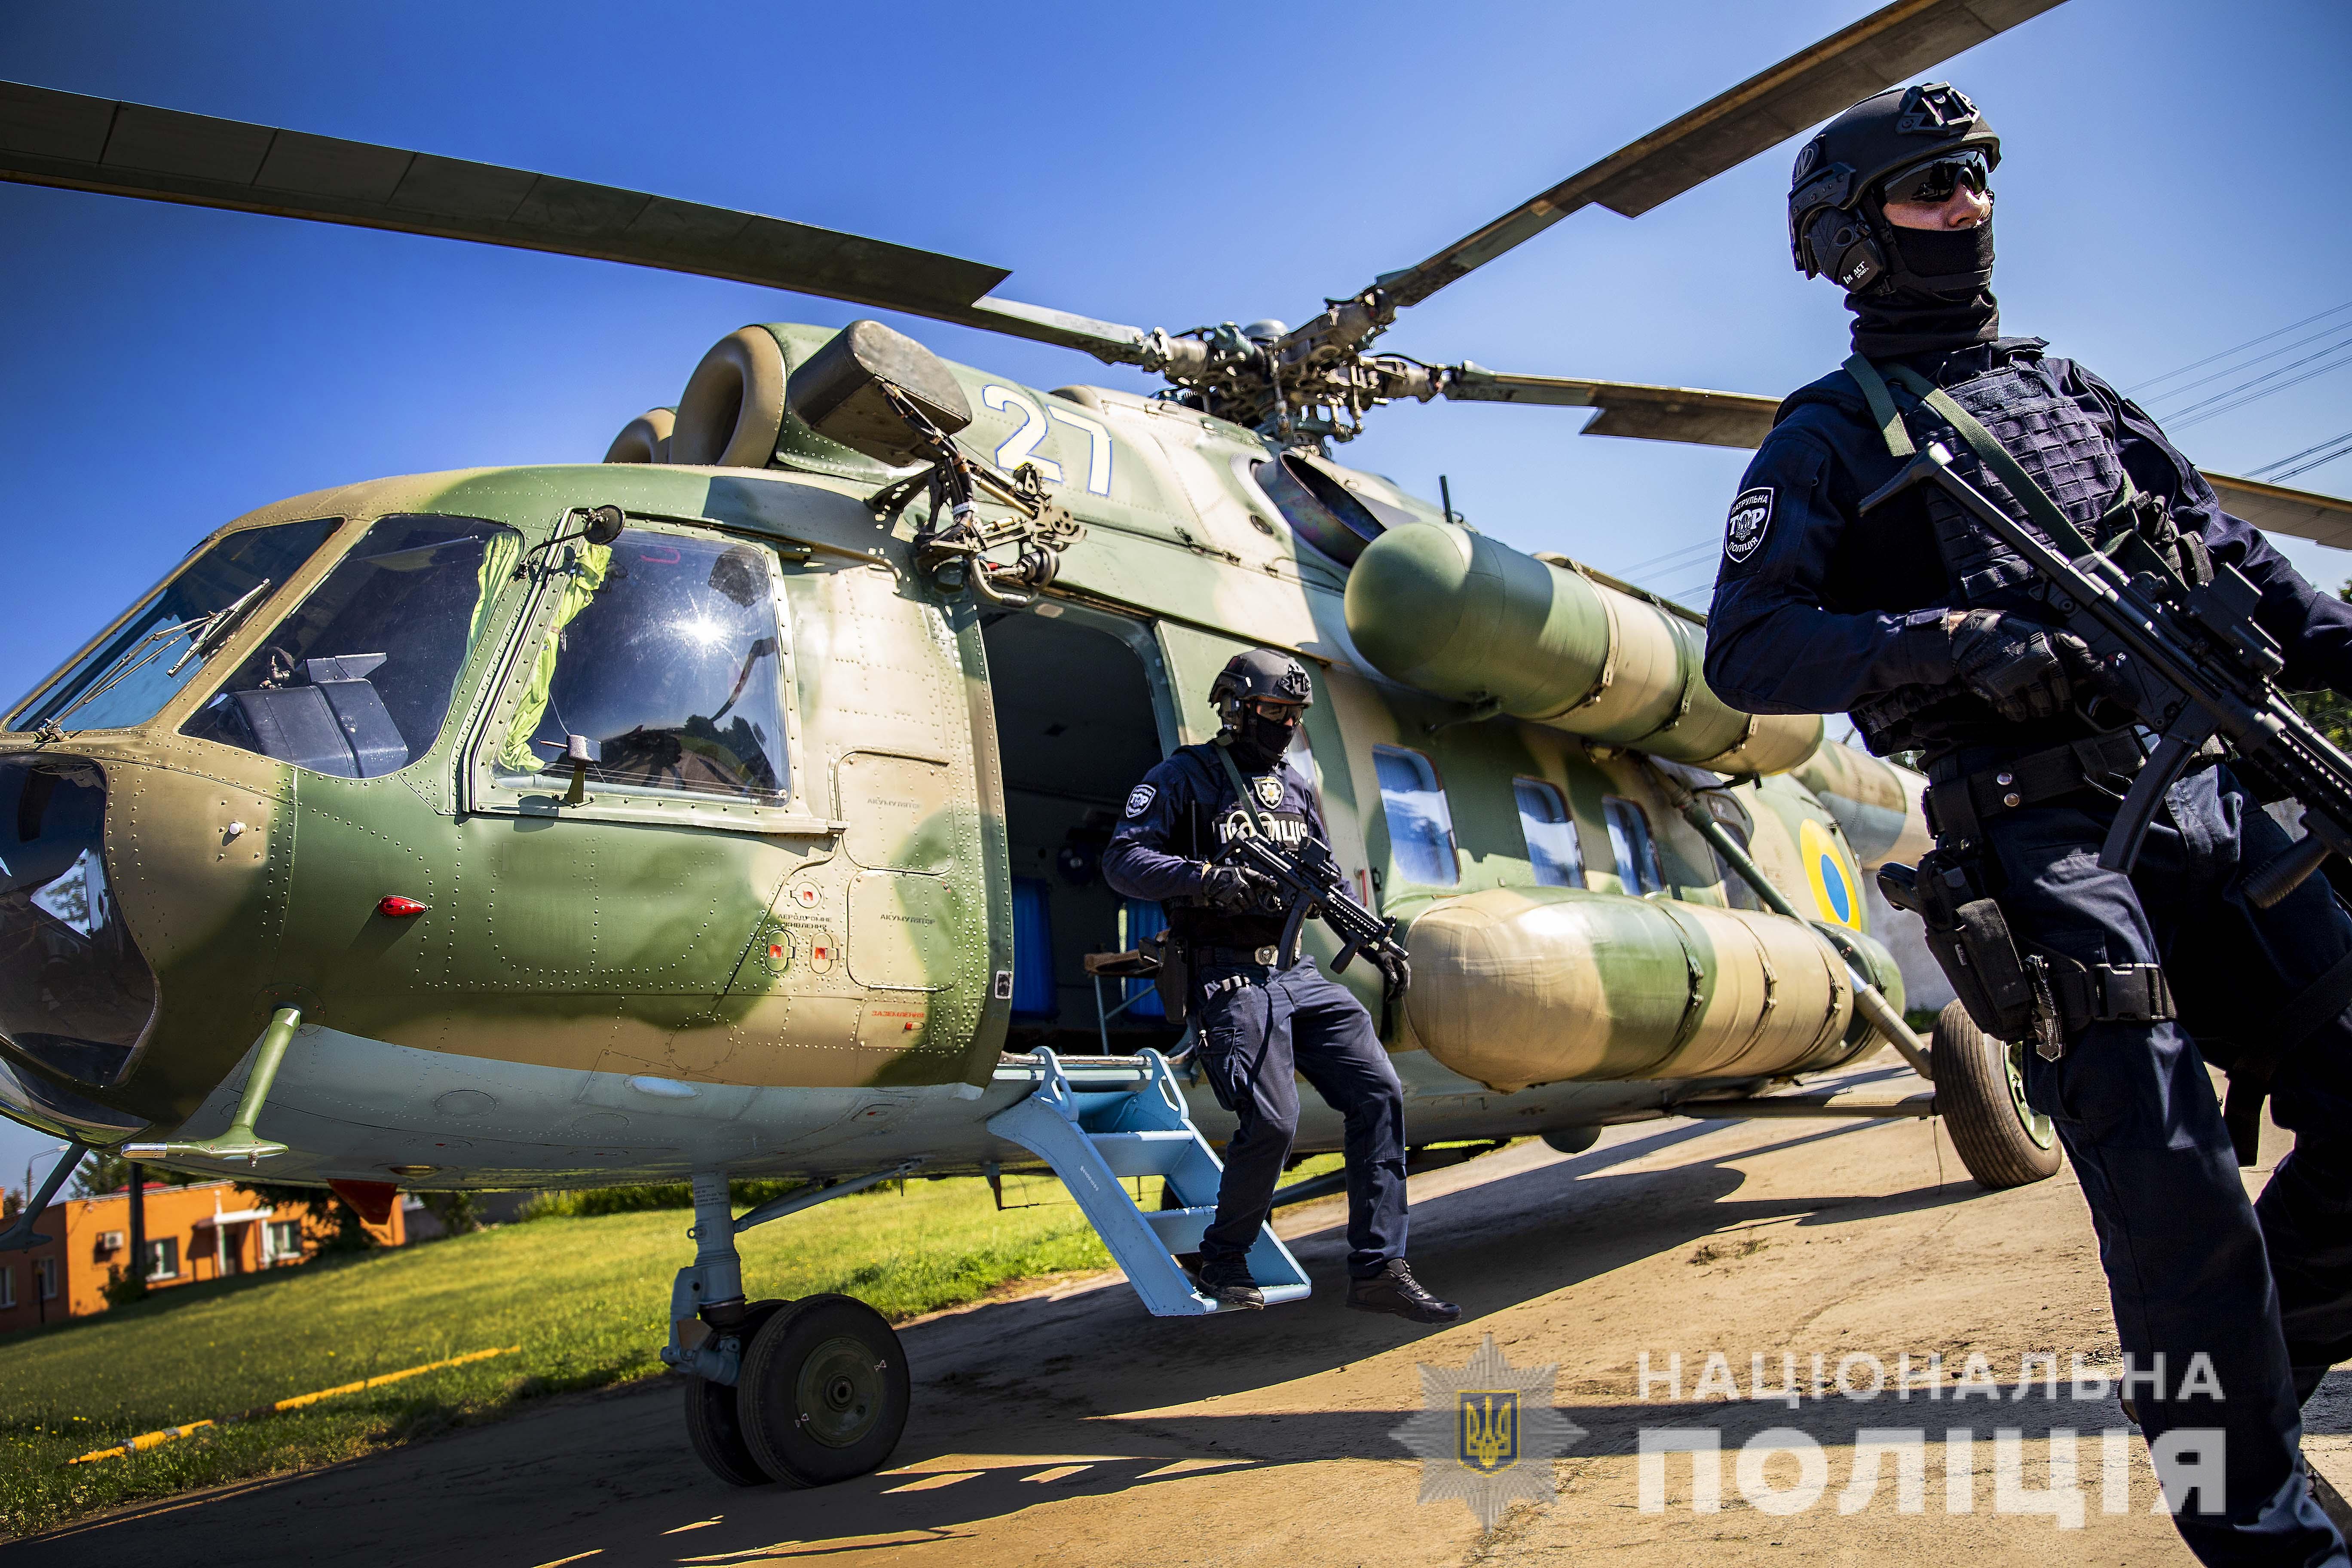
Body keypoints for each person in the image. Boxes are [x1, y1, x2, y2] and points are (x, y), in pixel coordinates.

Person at [1706, 80, 2352, 1565]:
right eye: (1930, 191)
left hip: (2209, 784)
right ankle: (2263, 1524)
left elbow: (2245, 566)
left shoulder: (2081, 396)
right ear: (1850, 243)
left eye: (1976, 181)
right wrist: (1935, 639)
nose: (1969, 211)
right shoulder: (1827, 440)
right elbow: (1749, 646)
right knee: (2174, 1189)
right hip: (2047, 834)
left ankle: (2254, 1370)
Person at [1102, 648, 1457, 1323]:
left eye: (1295, 714)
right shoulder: (1186, 777)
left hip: (1295, 971)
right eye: (1273, 711)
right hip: (1228, 974)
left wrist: (1368, 934)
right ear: (1235, 709)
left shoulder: (1296, 787)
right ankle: (1225, 1255)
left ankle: (1381, 1266)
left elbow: (1319, 878)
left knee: (1378, 1093)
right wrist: (1207, 880)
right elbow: (1125, 860)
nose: (1286, 724)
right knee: (1272, 1120)